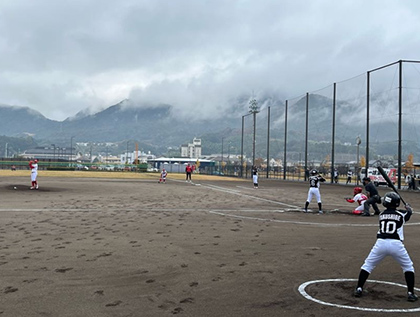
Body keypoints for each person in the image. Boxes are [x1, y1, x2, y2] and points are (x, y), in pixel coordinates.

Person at [354, 192, 418, 302]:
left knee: (368, 265)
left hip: (380, 243)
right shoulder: (401, 215)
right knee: (408, 267)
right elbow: (407, 214)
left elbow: (394, 213)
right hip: (396, 245)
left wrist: (406, 210)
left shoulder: (381, 215)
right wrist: (409, 209)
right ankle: (411, 293)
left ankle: (359, 288)